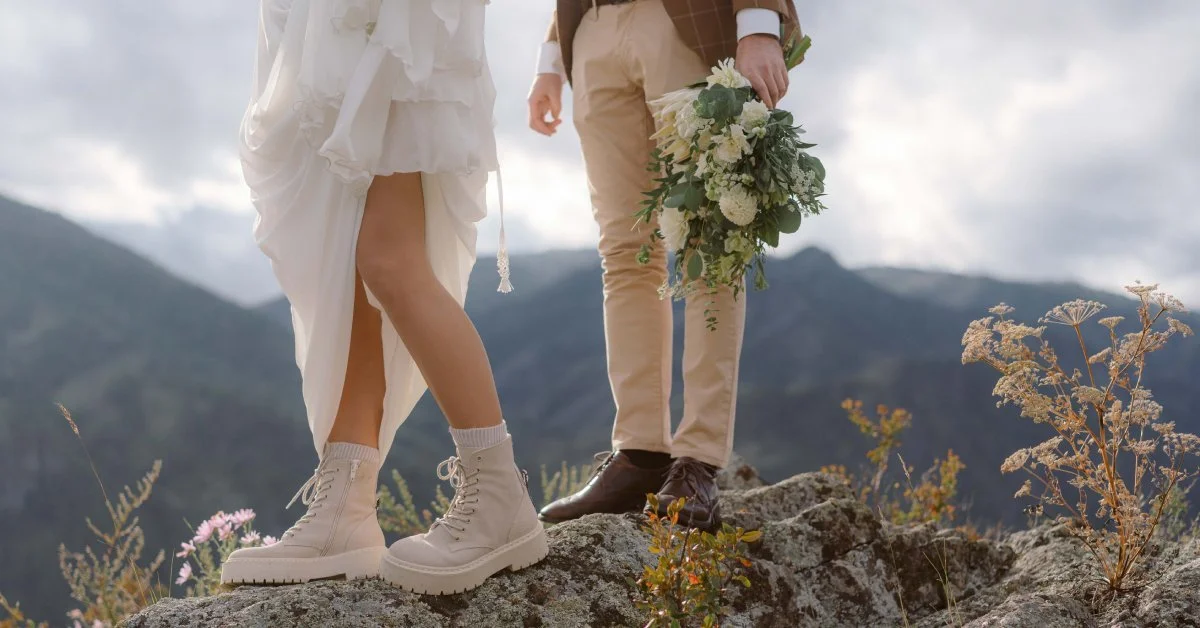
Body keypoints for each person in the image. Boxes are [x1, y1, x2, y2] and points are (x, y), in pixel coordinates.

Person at [219, 0, 547, 595]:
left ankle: (498, 492)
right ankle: (347, 500)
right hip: (334, 23)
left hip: (401, 21)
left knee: (388, 258)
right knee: (350, 249)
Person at [528, 0, 800, 530]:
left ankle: (697, 460)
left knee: (709, 243)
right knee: (624, 253)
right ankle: (640, 454)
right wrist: (550, 59)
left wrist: (760, 23)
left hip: (683, 22)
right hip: (592, 30)